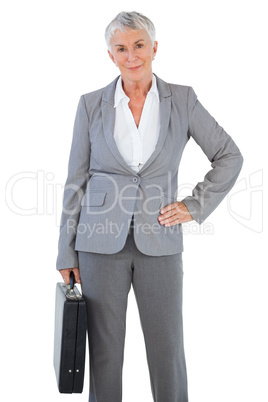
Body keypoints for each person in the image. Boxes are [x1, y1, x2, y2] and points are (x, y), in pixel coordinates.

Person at [56, 11, 243, 402]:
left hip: (160, 240)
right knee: (104, 357)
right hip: (97, 246)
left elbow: (229, 156)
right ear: (110, 55)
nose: (131, 56)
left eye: (139, 45)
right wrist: (65, 249)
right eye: (121, 48)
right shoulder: (91, 105)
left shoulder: (182, 99)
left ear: (154, 48)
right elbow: (76, 182)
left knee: (167, 352)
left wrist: (195, 205)